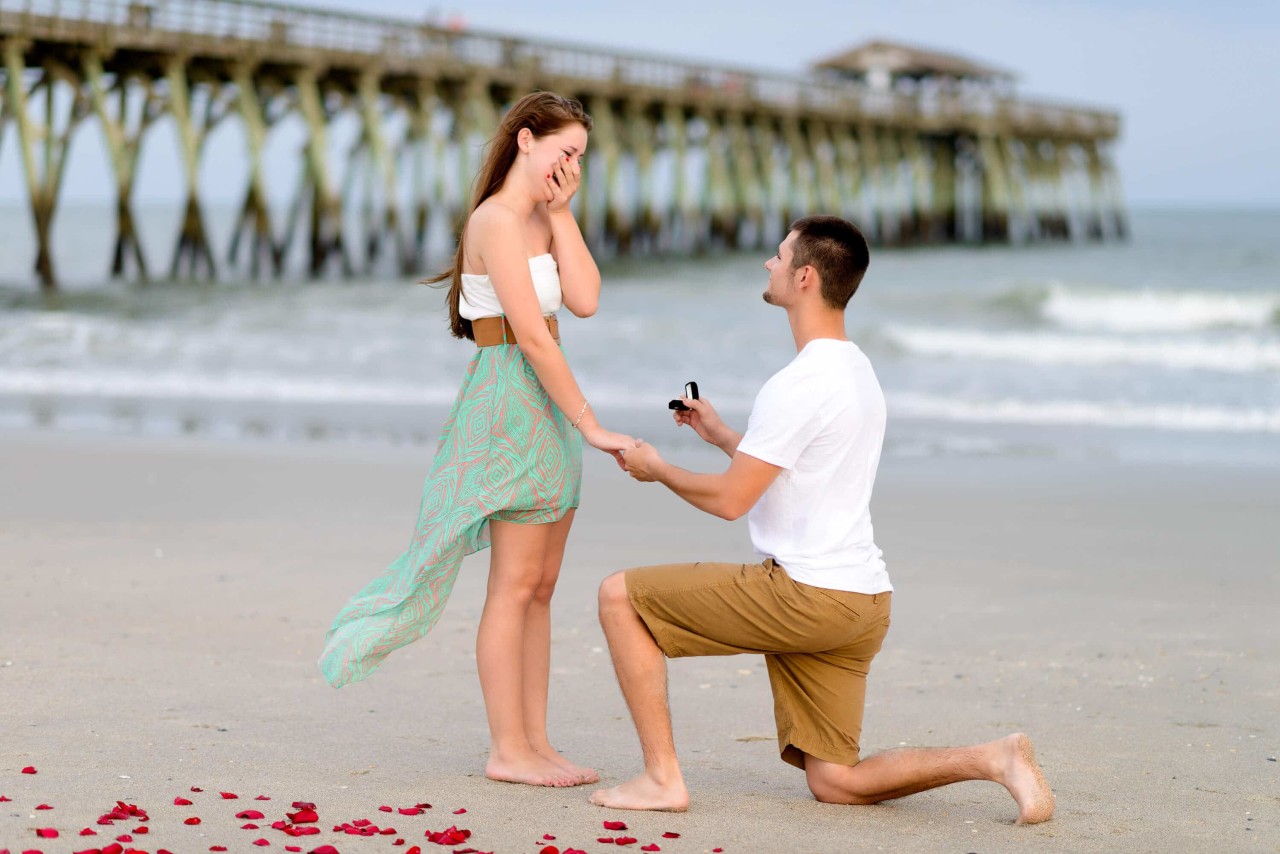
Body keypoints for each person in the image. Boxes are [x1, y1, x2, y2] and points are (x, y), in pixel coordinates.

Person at [591, 215, 1055, 823]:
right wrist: (724, 436)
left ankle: (660, 778)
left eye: (779, 256)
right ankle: (995, 759)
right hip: (861, 603)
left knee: (620, 598)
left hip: (807, 597)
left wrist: (658, 469)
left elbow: (733, 501)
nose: (768, 264)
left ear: (804, 277)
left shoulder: (799, 383)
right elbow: (800, 472)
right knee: (835, 781)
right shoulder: (856, 369)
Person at [319, 92, 635, 788]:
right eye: (565, 151)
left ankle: (536, 741)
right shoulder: (493, 220)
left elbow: (584, 299)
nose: (572, 165)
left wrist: (562, 212)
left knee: (543, 587)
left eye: (581, 156)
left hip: (546, 400)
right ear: (526, 140)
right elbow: (526, 335)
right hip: (510, 398)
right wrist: (590, 422)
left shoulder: (541, 218)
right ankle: (507, 748)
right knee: (514, 584)